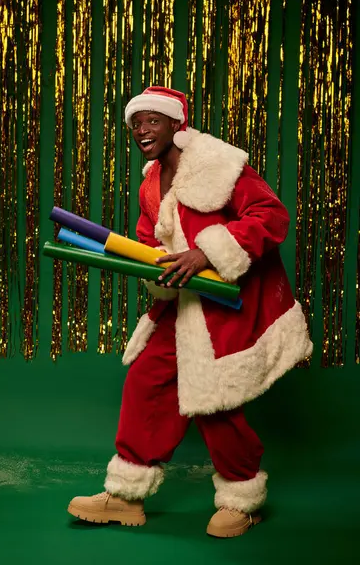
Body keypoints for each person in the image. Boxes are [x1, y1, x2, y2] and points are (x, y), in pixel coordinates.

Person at [67, 86, 313, 538]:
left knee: (214, 399)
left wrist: (205, 253)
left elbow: (271, 216)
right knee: (146, 380)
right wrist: (153, 267)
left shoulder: (220, 163)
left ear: (176, 123)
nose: (141, 129)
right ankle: (126, 495)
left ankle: (243, 498)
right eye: (135, 122)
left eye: (152, 120)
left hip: (231, 307)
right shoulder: (150, 183)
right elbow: (149, 241)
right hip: (184, 305)